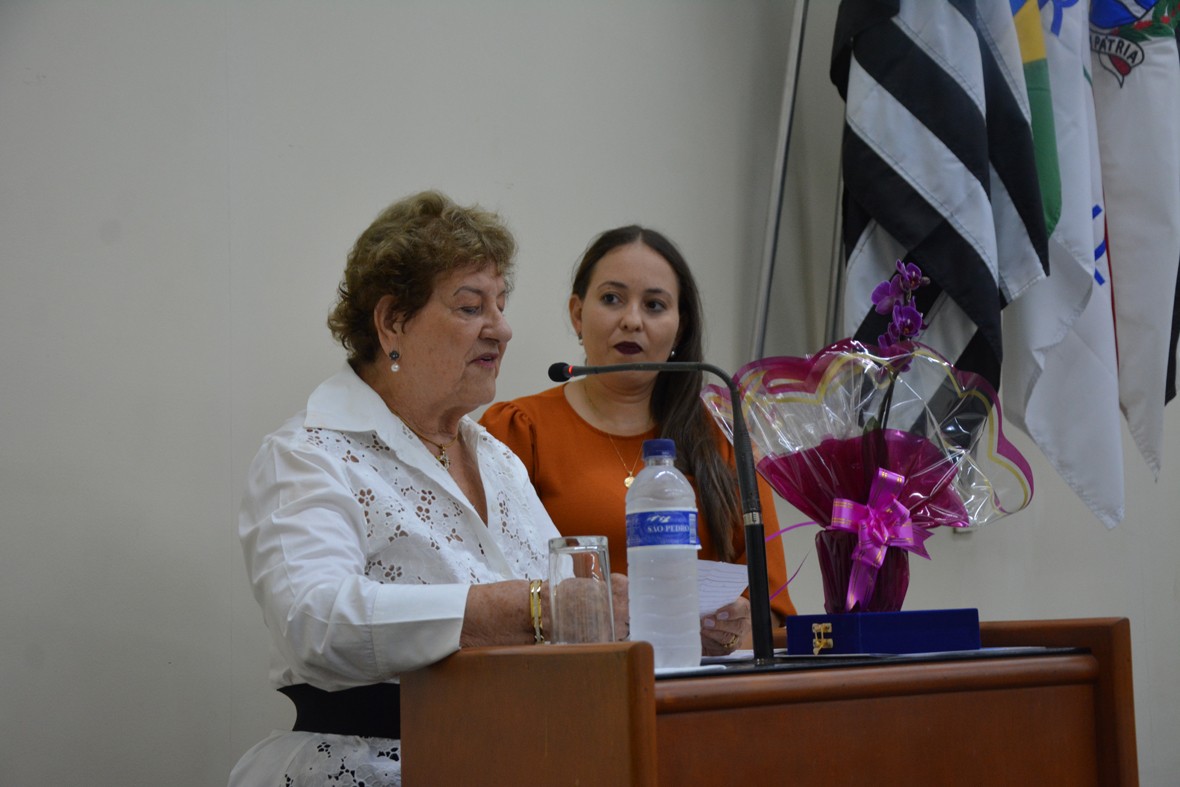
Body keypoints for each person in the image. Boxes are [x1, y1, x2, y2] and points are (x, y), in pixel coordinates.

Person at [230, 191, 628, 787]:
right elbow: (315, 623)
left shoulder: (498, 459)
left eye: (501, 304)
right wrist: (530, 608)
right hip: (373, 764)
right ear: (392, 321)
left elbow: (568, 605)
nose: (502, 328)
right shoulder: (307, 455)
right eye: (471, 307)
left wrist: (650, 617)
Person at [481, 225, 795, 657]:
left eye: (654, 305)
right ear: (577, 313)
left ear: (680, 327)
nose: (632, 320)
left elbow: (772, 618)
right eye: (612, 299)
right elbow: (485, 591)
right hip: (568, 680)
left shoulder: (723, 439)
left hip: (700, 683)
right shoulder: (519, 431)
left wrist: (730, 631)